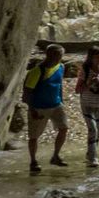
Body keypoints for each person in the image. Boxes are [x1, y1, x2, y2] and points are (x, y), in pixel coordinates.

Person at [24, 43, 69, 173]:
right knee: (34, 136)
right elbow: (27, 92)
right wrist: (32, 110)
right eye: (60, 55)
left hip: (56, 105)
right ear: (51, 55)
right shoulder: (37, 71)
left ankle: (55, 156)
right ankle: (33, 161)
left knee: (64, 128)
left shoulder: (61, 67)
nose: (61, 57)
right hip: (39, 107)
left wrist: (62, 101)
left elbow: (59, 85)